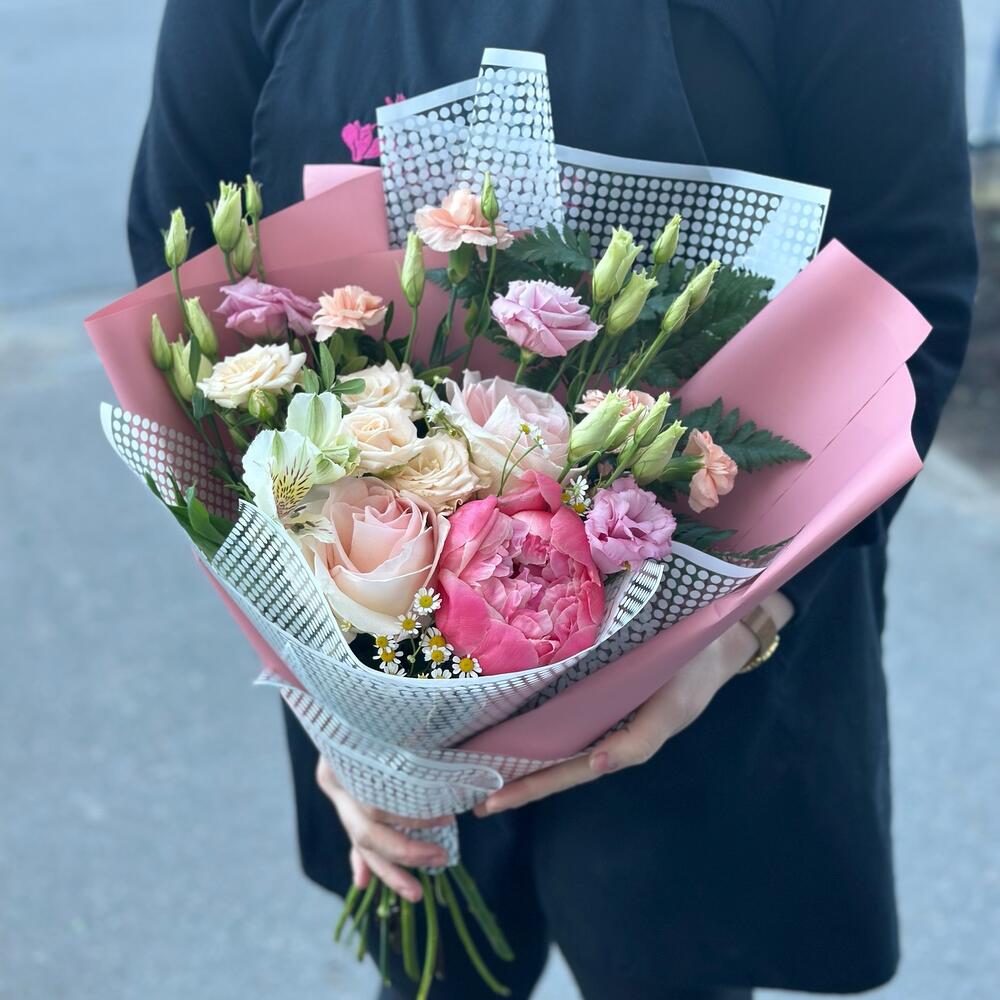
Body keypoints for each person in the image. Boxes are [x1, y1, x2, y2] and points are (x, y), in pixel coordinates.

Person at [128, 2, 978, 998]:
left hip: (700, 679)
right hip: (377, 670)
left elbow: (904, 282)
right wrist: (326, 679)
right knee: (431, 972)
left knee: (673, 964)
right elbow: (185, 265)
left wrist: (736, 633)